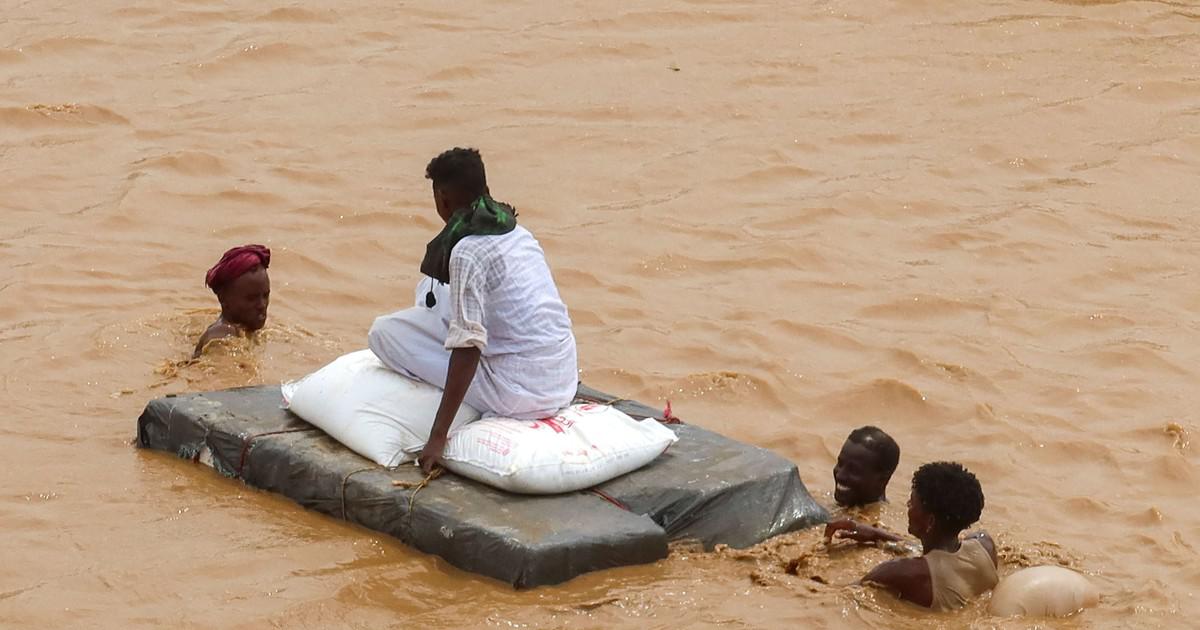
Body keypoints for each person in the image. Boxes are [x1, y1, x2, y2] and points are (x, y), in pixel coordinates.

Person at [368, 147, 578, 473]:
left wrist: (438, 436)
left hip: (519, 393)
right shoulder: (515, 230)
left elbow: (468, 347)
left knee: (384, 333)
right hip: (561, 379)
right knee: (429, 293)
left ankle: (466, 403)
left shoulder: (466, 251)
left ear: (444, 199)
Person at [824, 461, 998, 611]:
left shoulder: (903, 572)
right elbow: (939, 557)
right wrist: (877, 534)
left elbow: (839, 594)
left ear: (930, 521)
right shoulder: (984, 544)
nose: (908, 505)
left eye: (912, 502)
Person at [194, 244, 271, 358]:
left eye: (265, 295)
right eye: (251, 298)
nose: (262, 305)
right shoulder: (220, 337)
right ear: (223, 299)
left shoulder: (245, 329)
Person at [833, 426, 900, 508]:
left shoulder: (869, 519)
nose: (840, 475)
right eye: (840, 463)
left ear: (882, 480)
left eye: (854, 470)